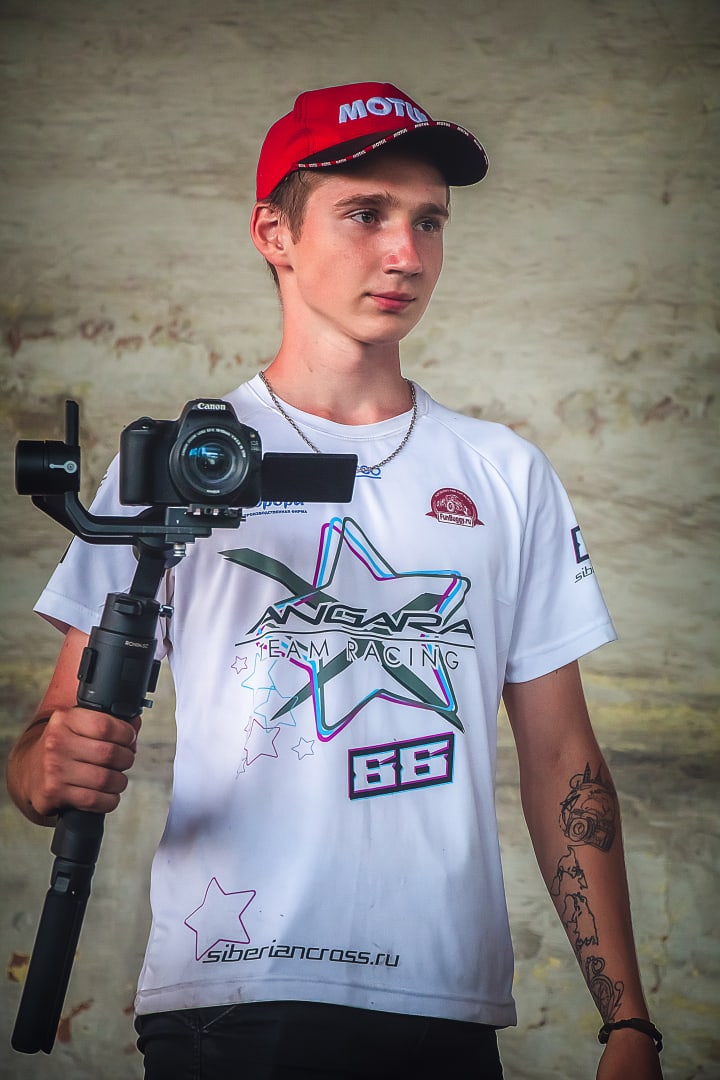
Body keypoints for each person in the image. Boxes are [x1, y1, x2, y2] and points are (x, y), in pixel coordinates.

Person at [7, 82, 663, 1079]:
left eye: (428, 221)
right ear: (274, 232)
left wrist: (628, 1025)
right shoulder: (176, 463)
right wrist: (49, 768)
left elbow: (564, 758)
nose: (406, 254)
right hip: (233, 995)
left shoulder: (504, 473)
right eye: (365, 214)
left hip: (445, 1002)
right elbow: (45, 746)